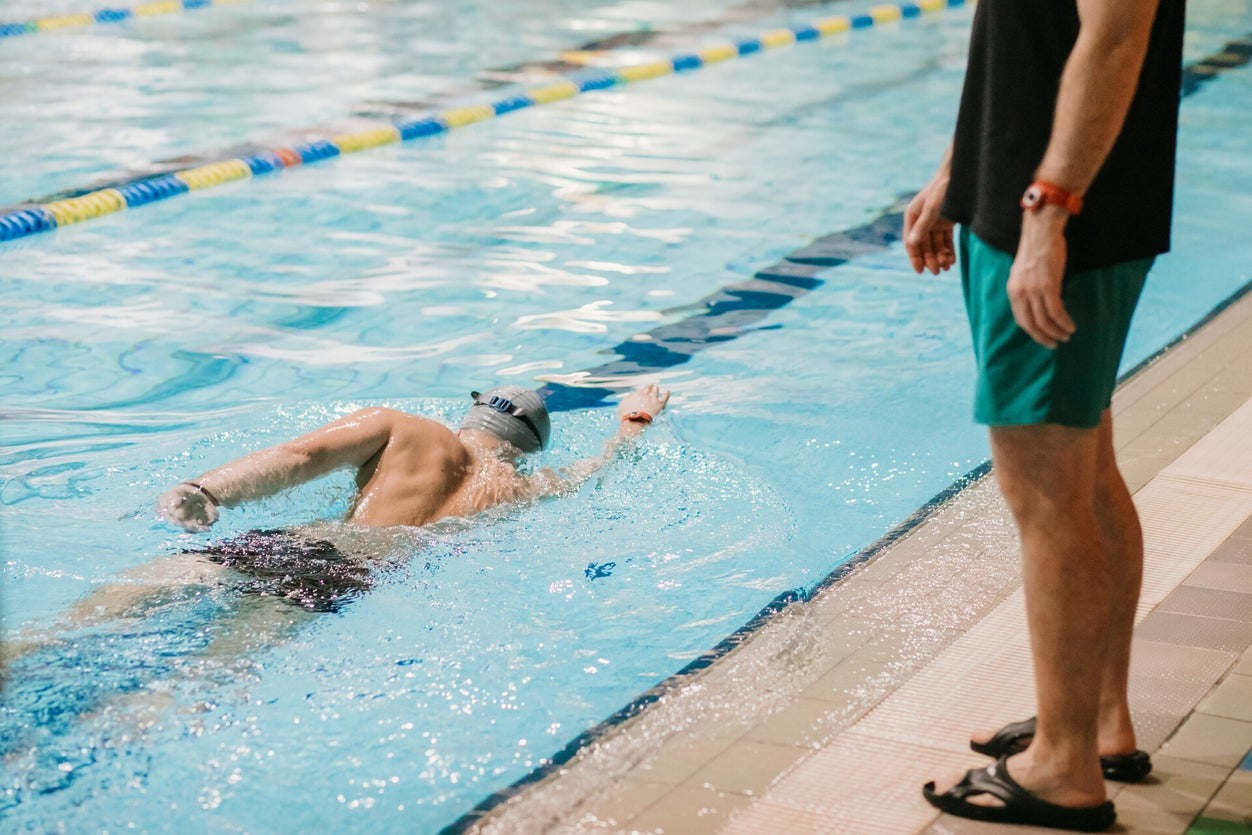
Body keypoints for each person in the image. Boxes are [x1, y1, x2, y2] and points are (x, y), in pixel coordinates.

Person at [902, 0, 1183, 829]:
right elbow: (1023, 39)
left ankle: (1064, 767)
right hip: (1024, 193)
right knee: (1084, 467)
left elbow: (1114, 34)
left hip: (1058, 213)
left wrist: (1050, 208)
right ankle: (1095, 725)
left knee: (1047, 492)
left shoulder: (1053, 209)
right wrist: (964, 168)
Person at [4, 384, 669, 660]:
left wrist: (204, 488)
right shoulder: (525, 486)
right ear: (525, 446)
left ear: (472, 410)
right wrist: (629, 428)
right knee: (204, 674)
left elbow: (299, 457)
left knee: (78, 623)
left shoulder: (406, 427)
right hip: (346, 576)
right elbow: (600, 475)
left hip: (288, 544)